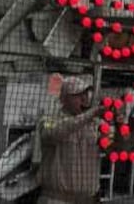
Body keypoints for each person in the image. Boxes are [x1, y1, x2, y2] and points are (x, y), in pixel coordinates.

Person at [35, 75, 99, 204]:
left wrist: (122, 126)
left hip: (87, 199)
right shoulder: (49, 120)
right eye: (77, 94)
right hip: (57, 199)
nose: (84, 98)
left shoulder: (94, 124)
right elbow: (53, 133)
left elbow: (115, 148)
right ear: (64, 98)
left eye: (86, 94)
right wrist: (89, 115)